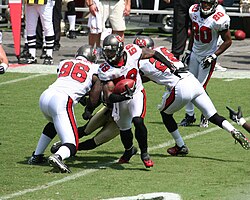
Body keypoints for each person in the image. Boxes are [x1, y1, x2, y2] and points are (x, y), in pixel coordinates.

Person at [133, 35, 250, 156]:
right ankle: (233, 130)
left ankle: (180, 145)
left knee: (165, 114)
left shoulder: (140, 63)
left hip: (180, 86)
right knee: (213, 116)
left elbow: (140, 75)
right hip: (192, 81)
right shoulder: (162, 49)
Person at [98, 34, 178, 168]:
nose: (108, 54)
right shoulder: (105, 70)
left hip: (136, 93)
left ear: (119, 49)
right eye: (106, 51)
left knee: (138, 120)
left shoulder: (132, 52)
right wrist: (123, 96)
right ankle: (128, 151)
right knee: (124, 128)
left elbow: (153, 53)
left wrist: (170, 65)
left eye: (111, 50)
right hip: (120, 99)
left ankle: (145, 153)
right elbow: (109, 97)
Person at [27, 45, 102, 173]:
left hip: (46, 95)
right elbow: (95, 92)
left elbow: (70, 81)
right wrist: (89, 108)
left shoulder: (64, 63)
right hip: (61, 100)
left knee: (54, 123)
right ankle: (58, 156)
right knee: (71, 144)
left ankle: (37, 156)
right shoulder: (95, 68)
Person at [180, 0, 232, 127]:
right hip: (194, 53)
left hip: (207, 56)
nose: (205, 6)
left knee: (199, 88)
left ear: (214, 4)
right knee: (187, 85)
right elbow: (193, 32)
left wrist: (213, 56)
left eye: (208, 3)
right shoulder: (194, 11)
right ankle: (189, 115)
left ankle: (206, 114)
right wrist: (188, 50)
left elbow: (228, 41)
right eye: (203, 3)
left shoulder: (219, 18)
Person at [20, 0, 55, 65]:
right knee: (30, 27)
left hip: (46, 2)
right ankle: (31, 54)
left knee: (47, 26)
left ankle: (49, 55)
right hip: (30, 2)